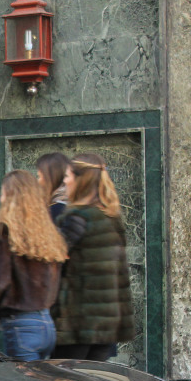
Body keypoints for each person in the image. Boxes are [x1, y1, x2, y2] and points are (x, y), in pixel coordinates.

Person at [52, 153, 134, 360]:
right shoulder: (110, 217)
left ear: (81, 180)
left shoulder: (78, 218)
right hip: (105, 326)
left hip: (78, 326)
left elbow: (53, 262)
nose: (65, 182)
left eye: (68, 177)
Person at [0, 171, 67, 361]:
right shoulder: (48, 234)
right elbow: (55, 280)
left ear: (9, 197)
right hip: (46, 323)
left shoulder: (4, 233)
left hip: (20, 324)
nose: (0, 198)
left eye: (2, 193)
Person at [35, 152, 73, 222]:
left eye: (39, 176)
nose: (38, 181)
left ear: (50, 178)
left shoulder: (54, 210)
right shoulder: (75, 204)